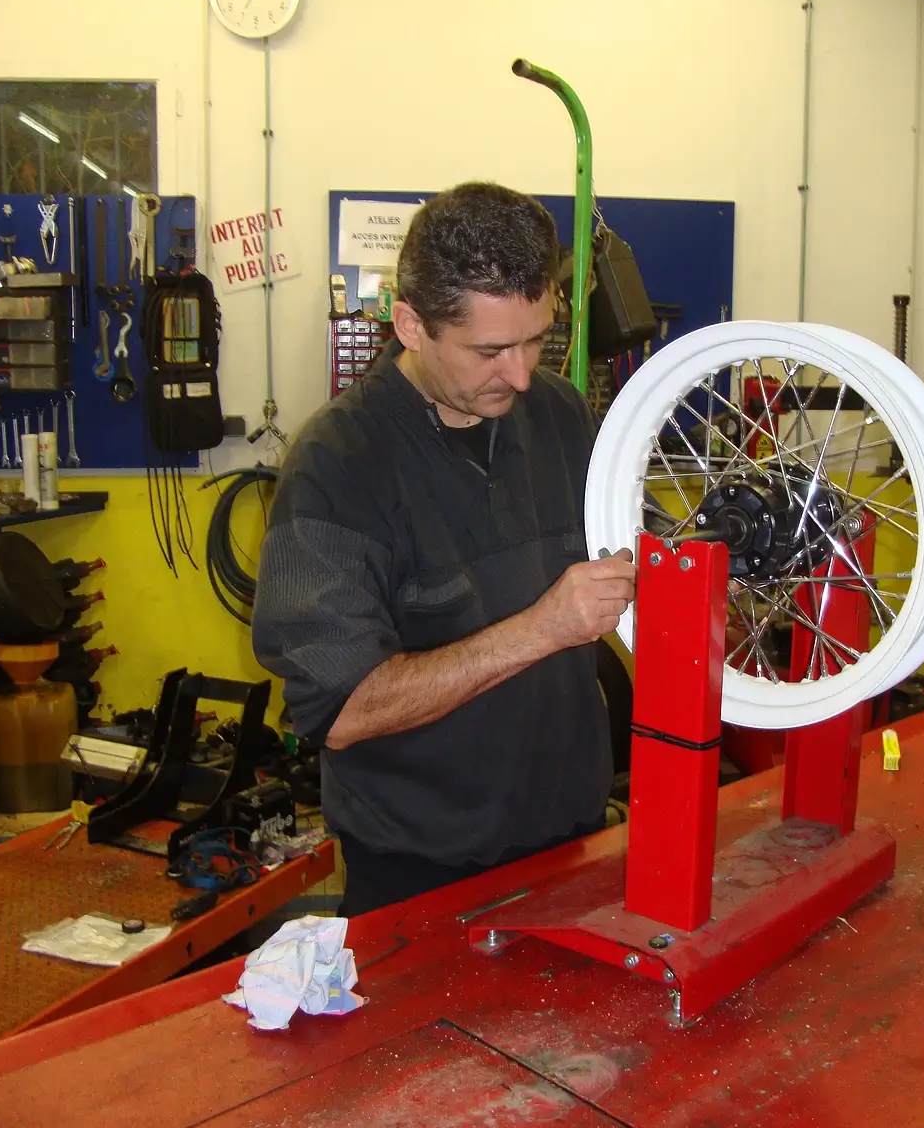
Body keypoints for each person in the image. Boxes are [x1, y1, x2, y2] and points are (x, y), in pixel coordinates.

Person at [253, 181, 636, 917]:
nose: (521, 375)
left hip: (573, 836)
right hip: (420, 871)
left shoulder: (556, 412)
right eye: (491, 350)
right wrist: (543, 626)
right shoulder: (336, 465)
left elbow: (622, 566)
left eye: (537, 339)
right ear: (410, 323)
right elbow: (344, 709)